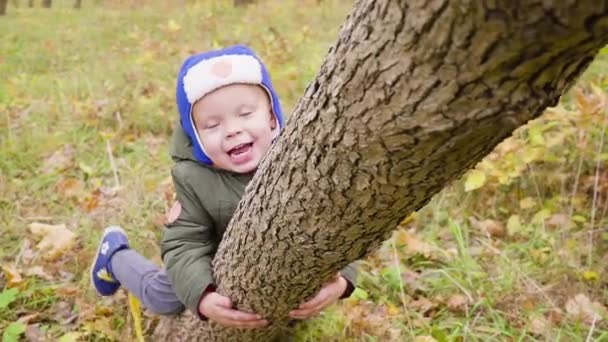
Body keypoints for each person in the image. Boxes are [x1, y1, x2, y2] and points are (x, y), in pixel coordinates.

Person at [90, 45, 357, 329]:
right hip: (209, 257)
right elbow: (183, 243)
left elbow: (337, 223)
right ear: (197, 137)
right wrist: (202, 295)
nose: (232, 130)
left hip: (268, 259)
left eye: (245, 114)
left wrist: (344, 280)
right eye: (212, 124)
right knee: (164, 299)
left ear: (271, 117)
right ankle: (115, 255)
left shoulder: (300, 160)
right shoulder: (194, 178)